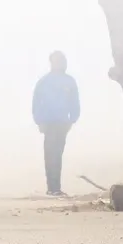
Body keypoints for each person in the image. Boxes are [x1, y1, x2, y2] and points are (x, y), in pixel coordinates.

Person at [32, 51, 80, 197]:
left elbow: (75, 102)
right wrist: (39, 120)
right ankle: (51, 187)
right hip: (48, 123)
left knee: (57, 154)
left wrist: (73, 119)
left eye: (61, 61)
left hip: (62, 123)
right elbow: (36, 102)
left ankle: (56, 187)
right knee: (50, 155)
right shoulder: (44, 81)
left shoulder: (69, 81)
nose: (58, 63)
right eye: (55, 61)